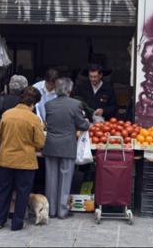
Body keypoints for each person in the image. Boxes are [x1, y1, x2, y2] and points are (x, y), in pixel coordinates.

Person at [0, 86, 46, 231]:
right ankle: (17, 223)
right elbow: (40, 143)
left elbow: (1, 135)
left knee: (3, 190)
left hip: (5, 158)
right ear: (34, 103)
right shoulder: (34, 119)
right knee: (23, 193)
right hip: (25, 161)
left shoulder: (7, 114)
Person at [43, 78, 90, 219]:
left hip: (51, 145)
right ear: (70, 90)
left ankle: (51, 211)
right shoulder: (75, 104)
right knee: (65, 179)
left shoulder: (48, 104)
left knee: (51, 179)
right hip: (67, 145)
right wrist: (87, 122)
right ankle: (62, 211)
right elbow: (82, 125)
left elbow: (48, 123)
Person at [0, 75, 28, 190]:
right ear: (24, 89)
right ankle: (14, 205)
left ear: (10, 86)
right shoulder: (27, 104)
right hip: (20, 147)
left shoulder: (0, 101)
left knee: (0, 182)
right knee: (18, 182)